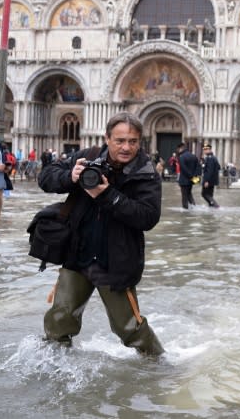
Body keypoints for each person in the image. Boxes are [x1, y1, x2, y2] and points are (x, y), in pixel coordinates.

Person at [39, 112, 164, 355]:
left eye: (133, 141)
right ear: (107, 138)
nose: (126, 147)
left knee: (130, 329)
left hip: (115, 260)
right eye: (120, 140)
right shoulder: (87, 158)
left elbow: (148, 218)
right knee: (59, 320)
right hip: (77, 254)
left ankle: (159, 367)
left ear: (141, 141)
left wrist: (107, 195)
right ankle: (56, 369)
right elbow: (45, 178)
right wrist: (70, 176)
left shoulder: (146, 172)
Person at [176, 142, 200, 209]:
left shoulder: (181, 157)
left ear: (181, 148)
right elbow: (198, 167)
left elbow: (184, 169)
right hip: (191, 181)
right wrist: (193, 177)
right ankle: (194, 207)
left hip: (184, 181)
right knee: (189, 194)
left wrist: (190, 176)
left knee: (184, 197)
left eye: (178, 149)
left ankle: (185, 210)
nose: (178, 151)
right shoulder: (193, 156)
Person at [200, 143, 220, 208]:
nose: (205, 151)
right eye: (204, 149)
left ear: (210, 149)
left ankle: (215, 205)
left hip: (209, 180)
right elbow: (218, 167)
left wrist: (207, 181)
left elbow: (209, 170)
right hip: (212, 180)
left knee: (204, 194)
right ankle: (211, 206)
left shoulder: (210, 158)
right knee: (210, 195)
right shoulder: (213, 157)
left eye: (206, 149)